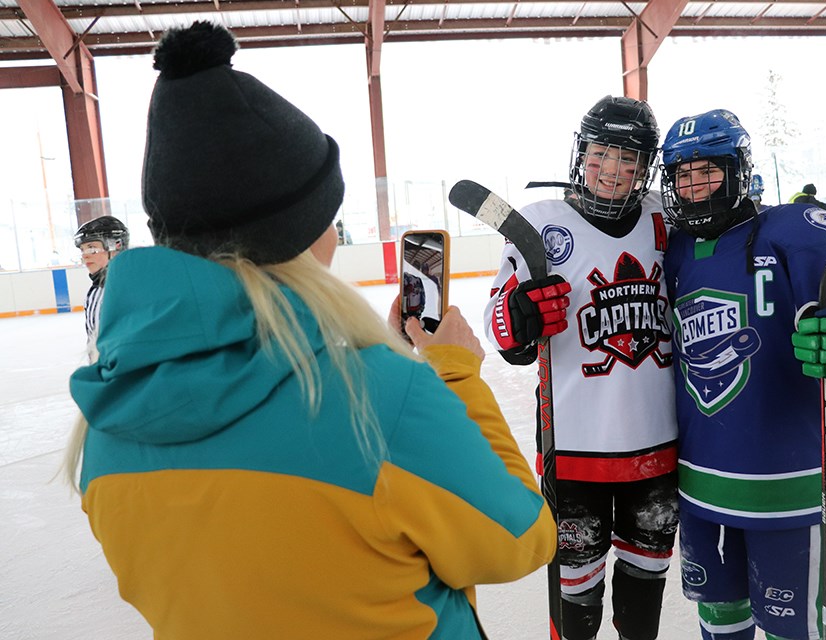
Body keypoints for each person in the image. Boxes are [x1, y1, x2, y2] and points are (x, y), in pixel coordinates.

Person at [63, 22, 555, 640]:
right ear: (300, 234)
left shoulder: (105, 429)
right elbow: (518, 538)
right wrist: (451, 377)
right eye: (331, 214)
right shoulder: (379, 398)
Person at [659, 108, 826, 640]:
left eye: (707, 171)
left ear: (737, 169)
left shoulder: (792, 231)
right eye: (683, 175)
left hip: (788, 486)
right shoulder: (670, 251)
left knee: (794, 631)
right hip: (699, 487)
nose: (695, 186)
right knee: (720, 623)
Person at [483, 95, 678, 640]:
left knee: (644, 597)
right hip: (573, 451)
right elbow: (501, 324)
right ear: (581, 153)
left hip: (657, 446)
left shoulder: (666, 218)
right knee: (576, 602)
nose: (613, 169)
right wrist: (519, 316)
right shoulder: (539, 223)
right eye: (602, 153)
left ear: (646, 166)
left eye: (629, 158)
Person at [73, 215, 129, 357]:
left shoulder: (131, 289)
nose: (85, 256)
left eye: (92, 248)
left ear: (116, 246)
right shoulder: (94, 292)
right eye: (83, 250)